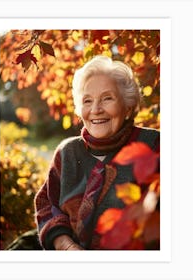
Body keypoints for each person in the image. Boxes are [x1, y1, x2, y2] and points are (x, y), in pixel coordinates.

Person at [34, 55, 160, 250]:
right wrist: (66, 246)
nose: (95, 109)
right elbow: (47, 205)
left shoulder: (154, 146)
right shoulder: (67, 153)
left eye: (107, 98)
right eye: (87, 100)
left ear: (127, 106)